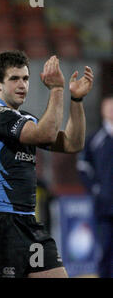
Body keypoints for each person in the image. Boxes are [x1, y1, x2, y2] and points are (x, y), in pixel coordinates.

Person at [0, 51, 94, 278]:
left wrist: (76, 100)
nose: (22, 85)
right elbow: (46, 134)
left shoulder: (23, 119)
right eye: (14, 79)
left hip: (28, 223)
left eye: (26, 79)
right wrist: (57, 89)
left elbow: (72, 144)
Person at [77, 93, 113, 278]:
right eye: (108, 107)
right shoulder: (95, 139)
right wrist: (96, 189)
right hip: (104, 207)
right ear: (102, 111)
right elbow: (83, 167)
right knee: (105, 249)